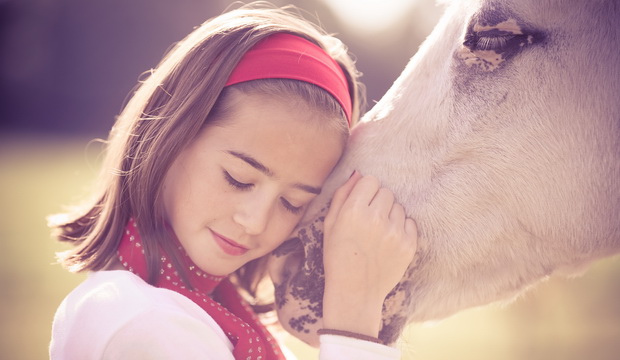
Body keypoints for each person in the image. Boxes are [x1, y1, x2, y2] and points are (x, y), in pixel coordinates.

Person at [49, 3, 417, 359]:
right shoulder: (137, 322)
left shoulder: (220, 313)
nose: (255, 222)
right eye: (239, 179)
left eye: (293, 204)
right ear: (170, 136)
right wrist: (354, 319)